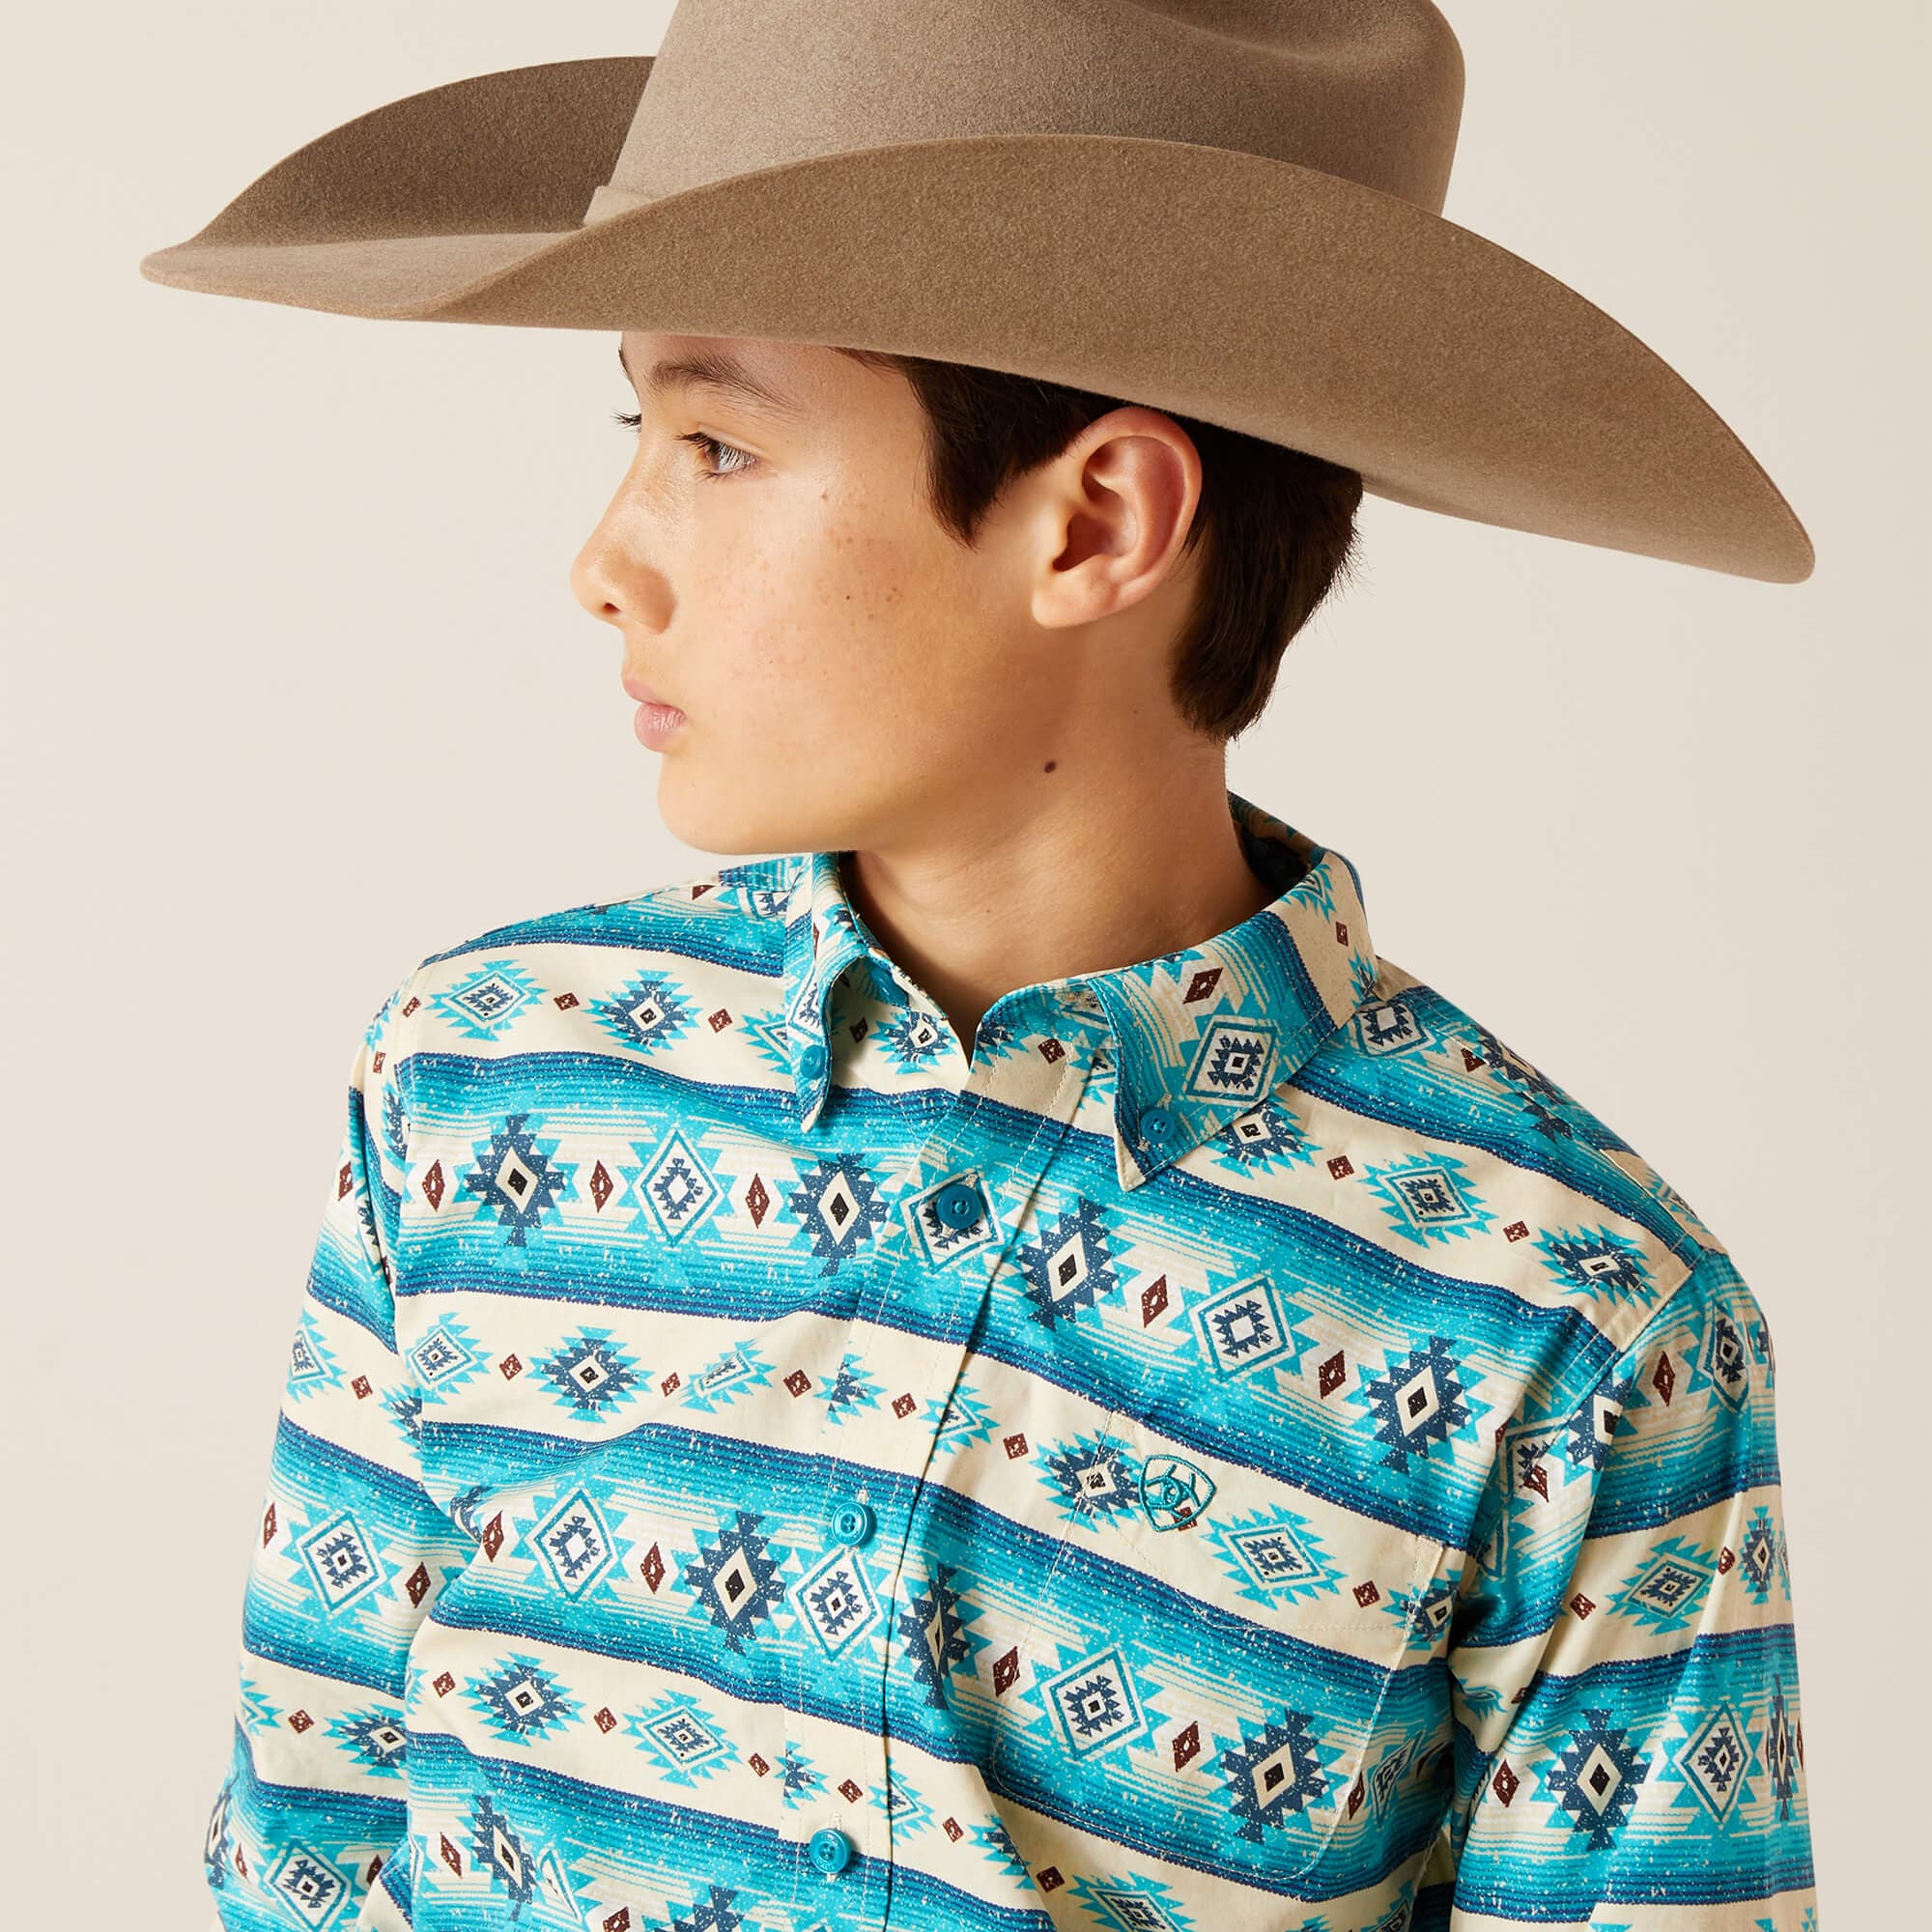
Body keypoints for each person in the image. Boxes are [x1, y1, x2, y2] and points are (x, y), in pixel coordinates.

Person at [142, 5, 1820, 1927]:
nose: (607, 561)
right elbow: (313, 1852)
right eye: (638, 431)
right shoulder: (478, 1086)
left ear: (1096, 521)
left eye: (716, 442)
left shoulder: (1572, 1327)